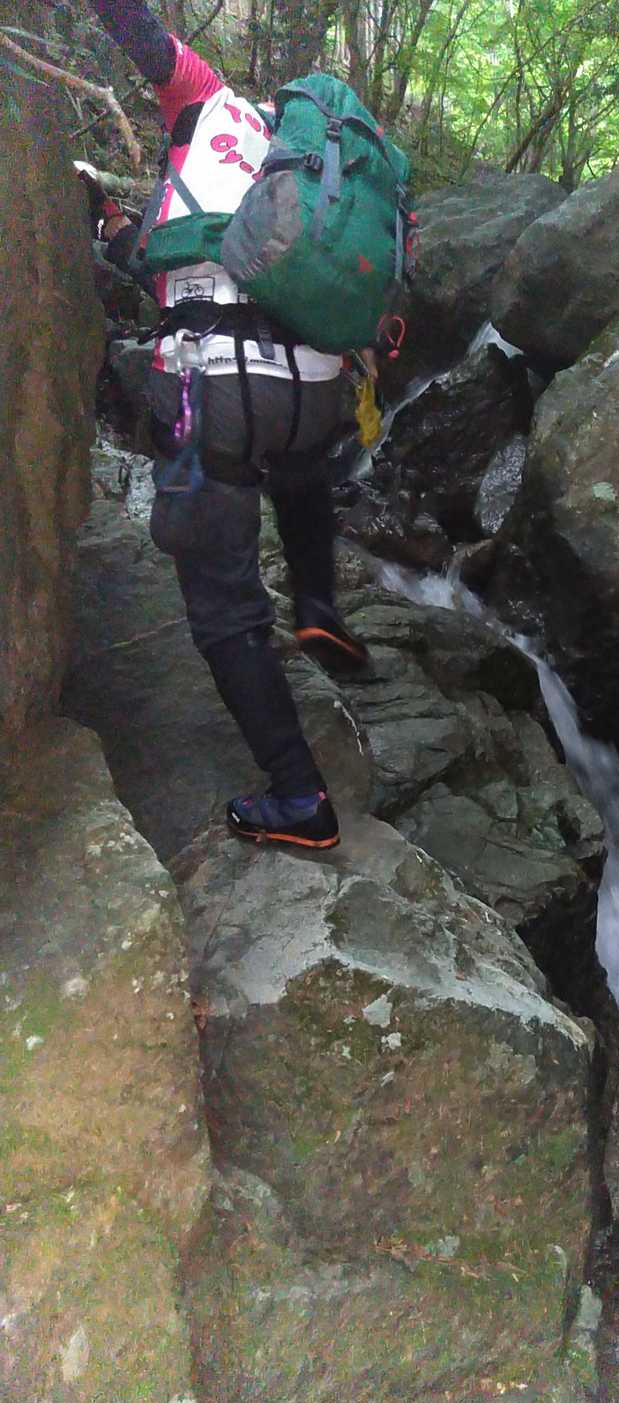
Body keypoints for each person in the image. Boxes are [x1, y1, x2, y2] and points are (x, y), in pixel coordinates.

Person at [84, 0, 375, 850]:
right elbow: (194, 260)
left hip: (224, 389)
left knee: (223, 608)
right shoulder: (299, 152)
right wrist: (118, 232)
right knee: (296, 466)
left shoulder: (202, 97)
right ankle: (318, 602)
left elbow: (142, 36)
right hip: (315, 389)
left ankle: (300, 798)